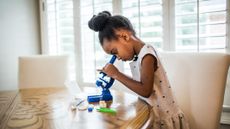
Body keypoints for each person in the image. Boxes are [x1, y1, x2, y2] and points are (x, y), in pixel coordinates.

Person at [88, 11, 190, 129]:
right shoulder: (140, 56)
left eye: (115, 51)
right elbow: (141, 83)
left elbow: (145, 90)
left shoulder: (147, 55)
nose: (118, 57)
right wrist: (116, 75)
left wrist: (116, 74)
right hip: (153, 115)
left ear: (124, 36)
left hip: (163, 120)